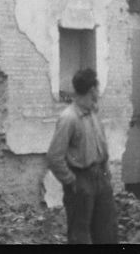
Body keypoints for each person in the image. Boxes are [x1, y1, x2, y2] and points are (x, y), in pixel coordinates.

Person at [46, 68, 118, 244]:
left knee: (107, 233)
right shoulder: (68, 118)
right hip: (81, 181)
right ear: (92, 89)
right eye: (97, 88)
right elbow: (54, 157)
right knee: (80, 235)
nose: (98, 92)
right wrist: (71, 181)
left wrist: (106, 174)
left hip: (101, 179)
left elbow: (102, 149)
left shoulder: (93, 114)